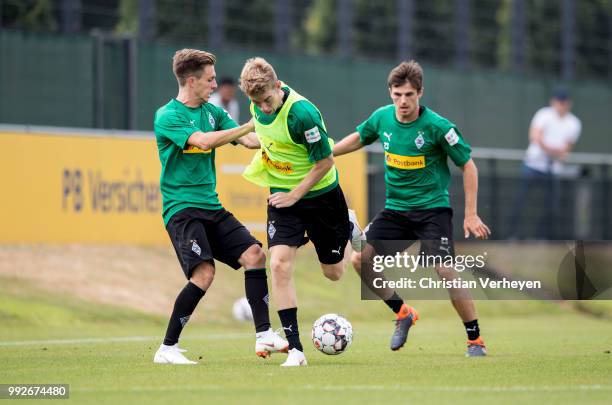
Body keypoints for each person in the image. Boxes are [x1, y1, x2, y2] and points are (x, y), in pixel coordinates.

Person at [333, 60, 491, 357]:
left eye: (408, 94)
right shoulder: (382, 118)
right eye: (397, 94)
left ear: (420, 93)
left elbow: (468, 166)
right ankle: (403, 311)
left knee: (445, 270)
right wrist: (328, 152)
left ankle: (475, 339)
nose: (402, 101)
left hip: (433, 211)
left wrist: (471, 213)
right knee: (359, 259)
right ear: (390, 93)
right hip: (396, 211)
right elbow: (359, 138)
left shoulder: (438, 127)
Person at [152, 49, 287, 365]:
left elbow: (251, 141)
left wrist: (274, 124)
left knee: (255, 255)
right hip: (181, 209)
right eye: (210, 79)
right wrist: (248, 126)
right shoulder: (167, 115)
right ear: (191, 80)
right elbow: (203, 142)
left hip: (210, 206)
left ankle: (264, 333)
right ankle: (167, 348)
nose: (214, 85)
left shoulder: (213, 114)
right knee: (204, 272)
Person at [238, 57, 364, 367]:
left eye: (267, 100)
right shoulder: (257, 105)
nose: (263, 108)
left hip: (320, 196)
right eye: (257, 102)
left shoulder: (303, 114)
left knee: (333, 273)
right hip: (282, 197)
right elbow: (264, 138)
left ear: (277, 87)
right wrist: (239, 138)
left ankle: (348, 224)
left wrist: (296, 194)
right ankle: (295, 350)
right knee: (279, 265)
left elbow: (325, 162)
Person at [507, 88, 582, 239]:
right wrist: (553, 150)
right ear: (553, 102)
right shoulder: (543, 114)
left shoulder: (574, 123)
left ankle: (541, 238)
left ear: (569, 103)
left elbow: (566, 148)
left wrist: (556, 152)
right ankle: (511, 235)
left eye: (564, 102)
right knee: (521, 201)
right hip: (533, 165)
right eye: (559, 101)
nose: (561, 105)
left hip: (554, 169)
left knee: (551, 206)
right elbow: (535, 136)